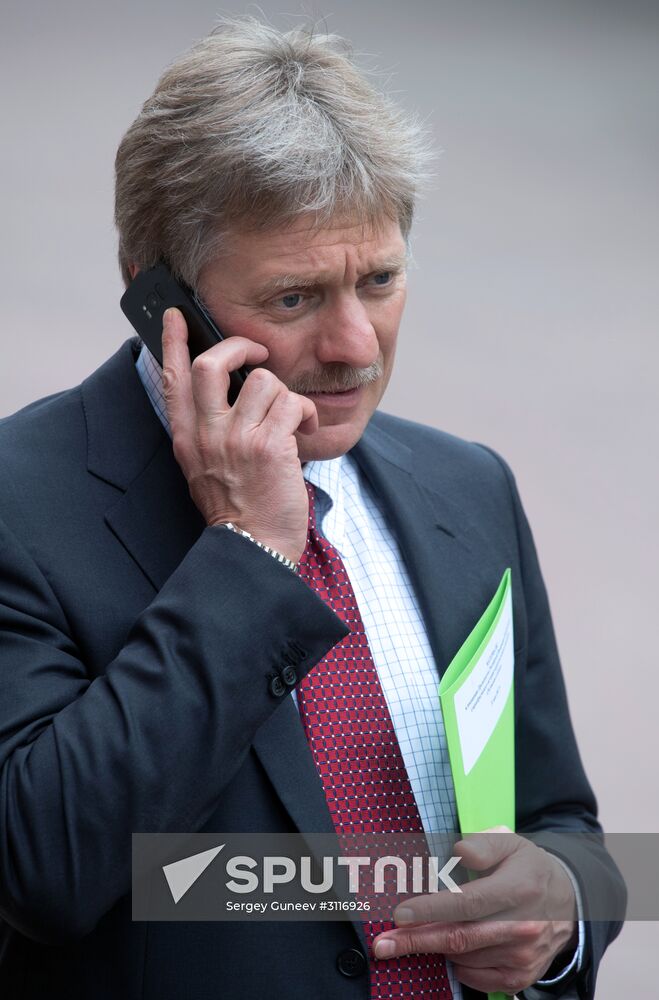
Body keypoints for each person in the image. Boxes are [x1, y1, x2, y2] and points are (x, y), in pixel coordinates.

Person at [0, 16, 624, 1000]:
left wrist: (558, 913)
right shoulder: (19, 504)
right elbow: (38, 868)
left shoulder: (467, 488)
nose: (352, 346)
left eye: (377, 280)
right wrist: (249, 552)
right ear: (155, 291)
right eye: (293, 298)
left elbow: (561, 823)